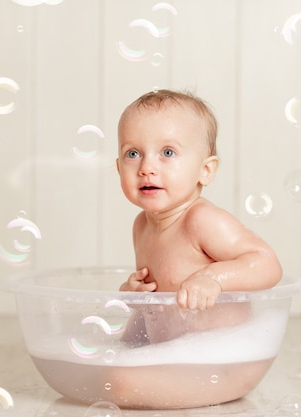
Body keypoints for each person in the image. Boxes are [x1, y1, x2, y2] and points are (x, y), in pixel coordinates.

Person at [116, 89, 283, 345]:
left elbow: (267, 264)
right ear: (118, 167)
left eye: (168, 153)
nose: (146, 168)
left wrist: (213, 279)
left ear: (205, 170)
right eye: (133, 153)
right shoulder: (141, 225)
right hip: (175, 353)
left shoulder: (202, 221)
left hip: (221, 354)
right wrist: (134, 293)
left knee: (120, 381)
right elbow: (161, 297)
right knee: (114, 365)